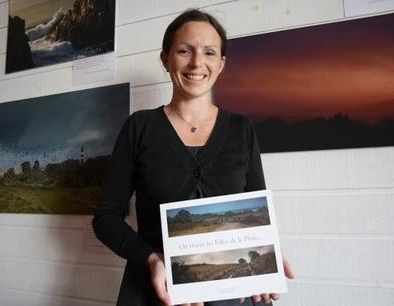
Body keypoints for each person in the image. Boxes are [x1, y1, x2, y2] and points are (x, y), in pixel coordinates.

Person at [93, 8, 294, 306]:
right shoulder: (139, 127)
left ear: (222, 64)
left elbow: (256, 216)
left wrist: (266, 260)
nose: (197, 63)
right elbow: (106, 219)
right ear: (165, 59)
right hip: (155, 292)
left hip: (234, 296)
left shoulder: (241, 129)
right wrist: (151, 259)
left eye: (210, 53)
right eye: (184, 50)